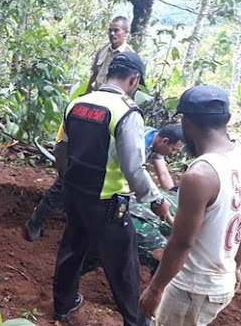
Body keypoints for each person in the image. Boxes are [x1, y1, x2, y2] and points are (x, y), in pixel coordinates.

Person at [52, 52, 170, 325]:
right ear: (134, 79)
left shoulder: (76, 104)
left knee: (72, 248)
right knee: (123, 265)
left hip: (75, 193)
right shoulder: (127, 112)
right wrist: (155, 200)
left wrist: (68, 179)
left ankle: (63, 305)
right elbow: (133, 167)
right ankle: (137, 321)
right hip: (107, 201)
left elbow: (60, 149)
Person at [140, 85, 241, 326]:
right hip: (220, 279)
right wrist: (237, 265)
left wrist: (155, 289)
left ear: (185, 123)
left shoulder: (201, 174)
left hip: (193, 287)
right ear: (227, 119)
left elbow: (182, 242)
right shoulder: (237, 158)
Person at [24, 123, 183, 241]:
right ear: (165, 141)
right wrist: (170, 219)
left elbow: (162, 173)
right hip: (88, 161)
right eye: (173, 150)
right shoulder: (139, 143)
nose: (172, 154)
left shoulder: (154, 140)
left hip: (106, 168)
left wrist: (173, 195)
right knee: (61, 190)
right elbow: (134, 174)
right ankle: (34, 223)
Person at [86, 16, 134, 92]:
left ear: (126, 32)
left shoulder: (130, 56)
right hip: (96, 94)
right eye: (110, 30)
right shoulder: (102, 48)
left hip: (113, 99)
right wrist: (86, 93)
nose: (112, 34)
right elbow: (95, 74)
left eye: (116, 30)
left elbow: (131, 84)